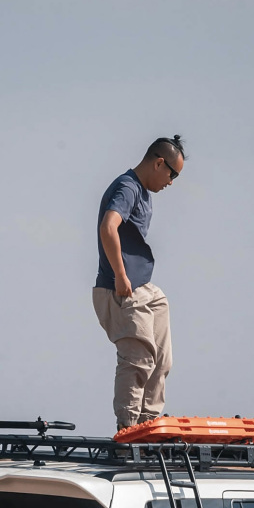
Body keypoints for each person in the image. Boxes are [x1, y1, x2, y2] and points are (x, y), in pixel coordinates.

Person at [92, 135, 184, 430]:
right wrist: (120, 275)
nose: (171, 182)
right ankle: (129, 430)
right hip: (119, 288)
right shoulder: (128, 187)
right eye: (172, 174)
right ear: (159, 163)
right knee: (138, 359)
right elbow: (108, 227)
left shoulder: (143, 192)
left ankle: (148, 427)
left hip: (143, 287)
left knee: (161, 360)